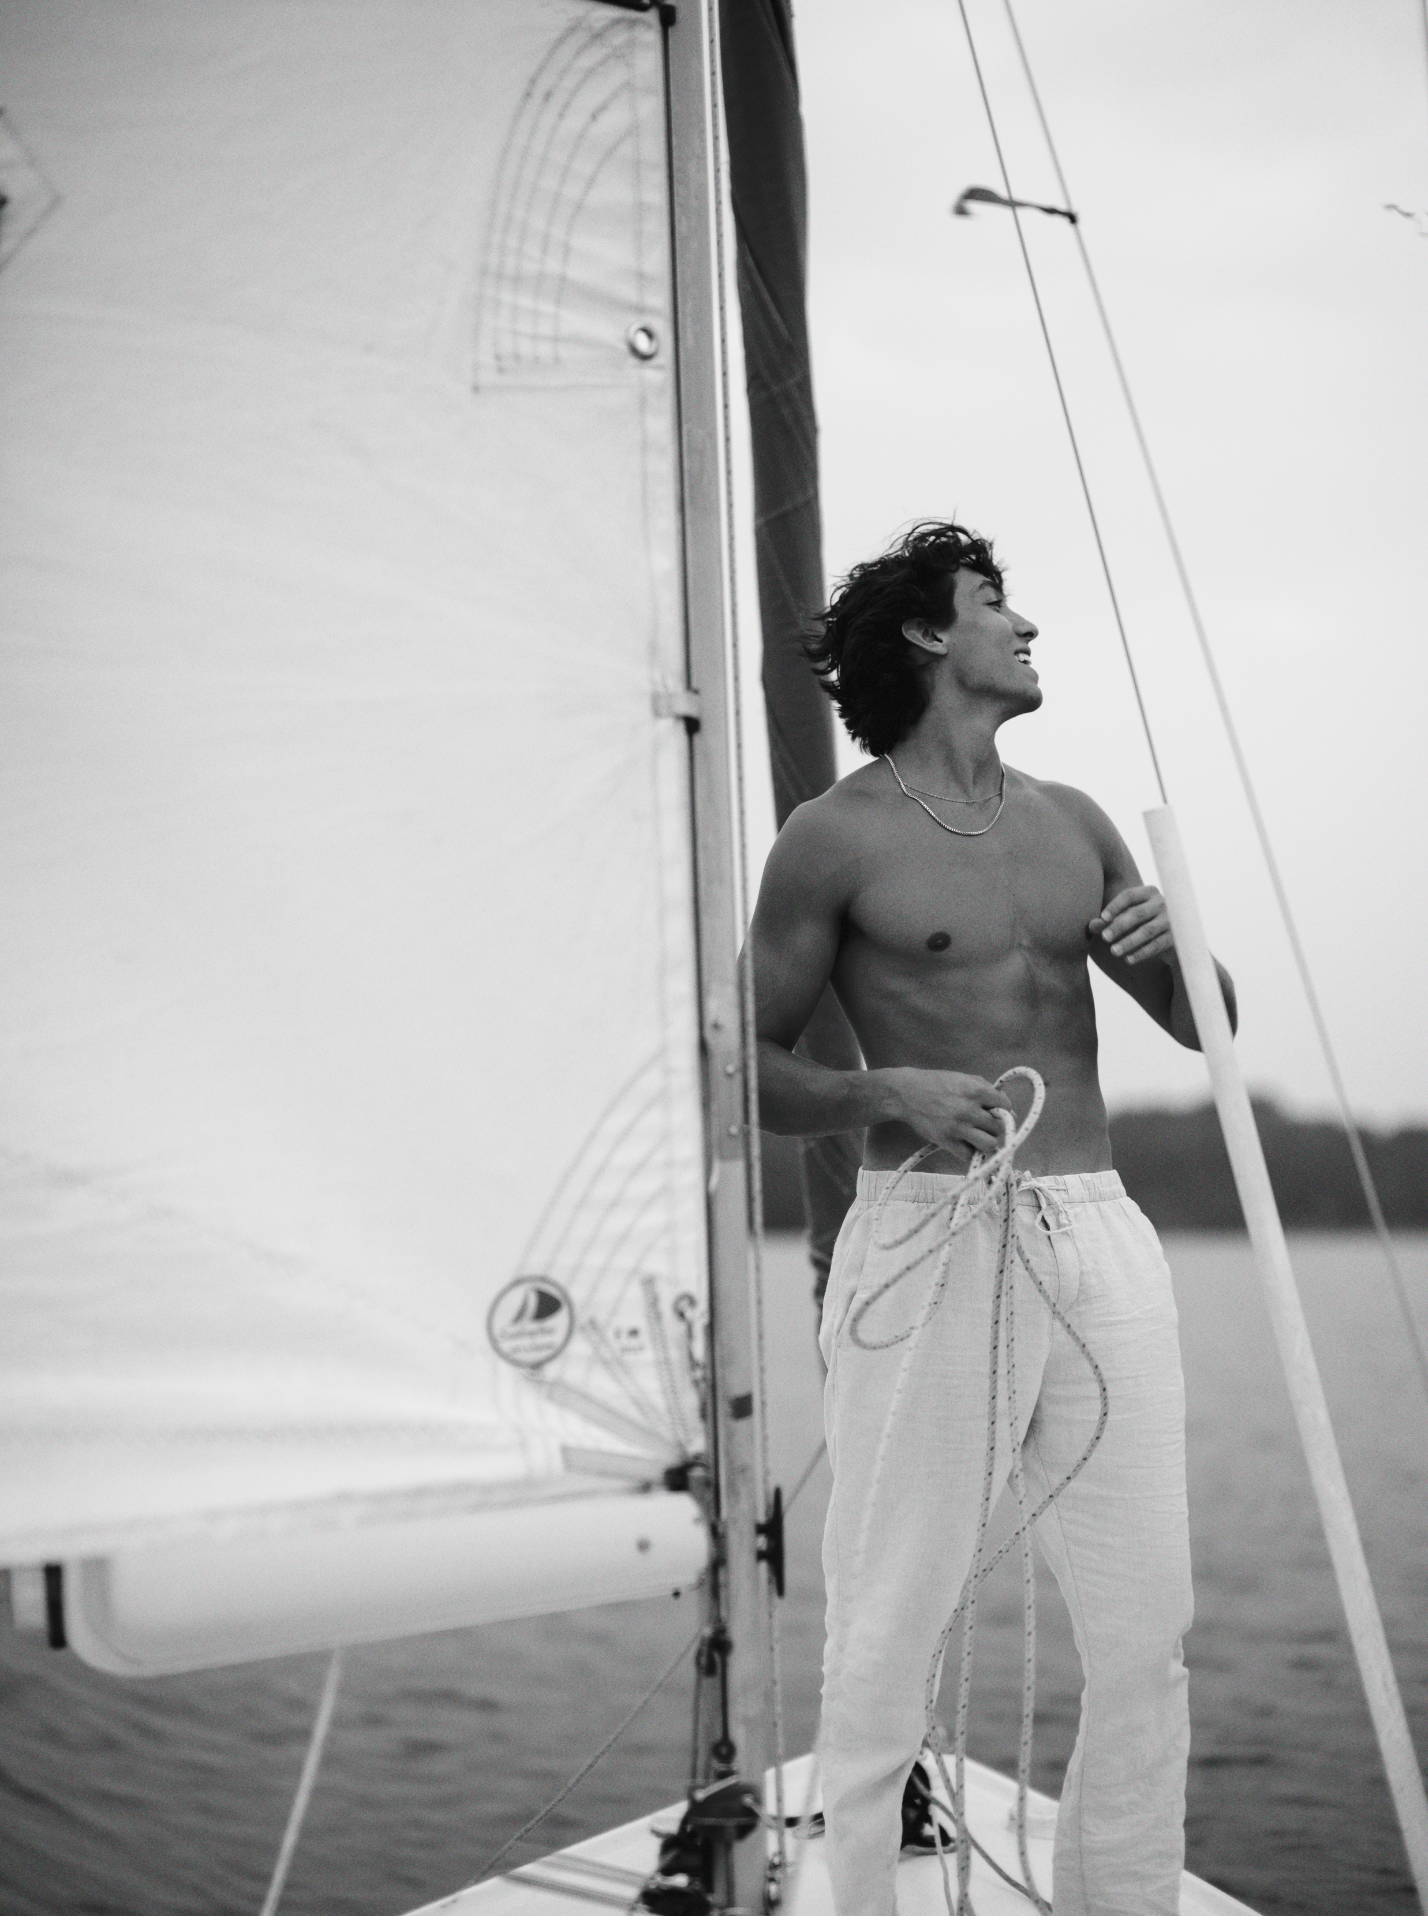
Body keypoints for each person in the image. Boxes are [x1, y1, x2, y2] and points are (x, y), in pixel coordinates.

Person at [749, 521, 1237, 1916]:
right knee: (889, 1621)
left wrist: (1186, 953)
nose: (1027, 627)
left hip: (1094, 1227)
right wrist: (878, 1085)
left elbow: (1214, 1030)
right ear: (924, 637)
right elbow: (741, 1065)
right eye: (994, 604)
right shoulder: (831, 840)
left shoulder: (1076, 819)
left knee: (1148, 1630)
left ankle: (1121, 1897)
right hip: (927, 1234)